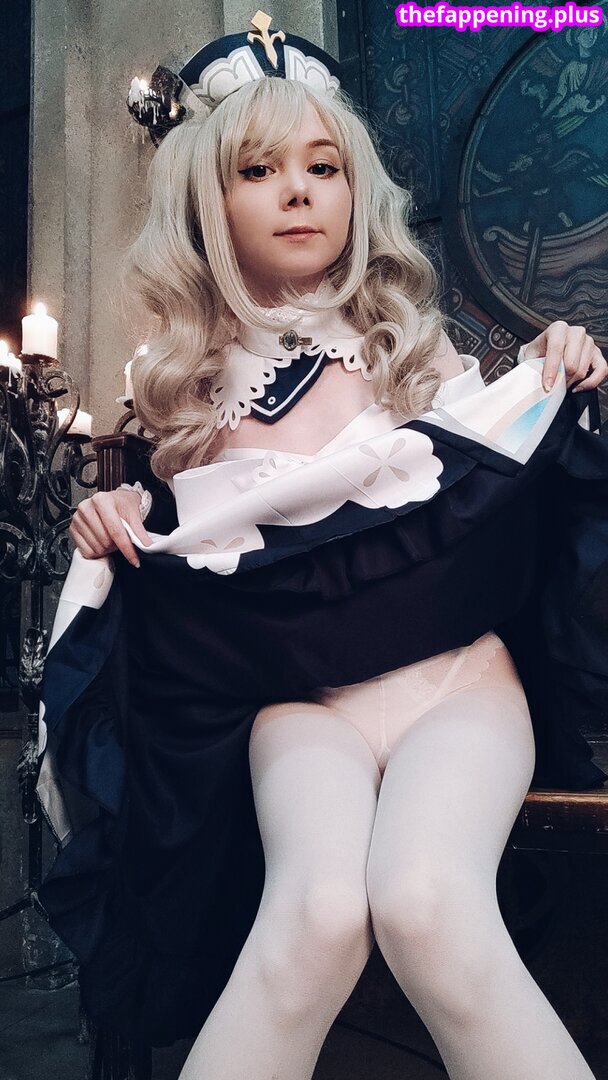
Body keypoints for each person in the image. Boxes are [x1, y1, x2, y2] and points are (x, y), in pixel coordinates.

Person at [35, 13, 608, 1080]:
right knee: (315, 917)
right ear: (206, 201)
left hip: (456, 686)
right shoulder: (178, 390)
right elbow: (182, 554)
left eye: (323, 165)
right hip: (298, 708)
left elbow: (493, 473)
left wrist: (557, 366)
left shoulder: (409, 346)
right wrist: (104, 525)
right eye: (258, 169)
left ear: (355, 190)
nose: (298, 191)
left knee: (426, 902)